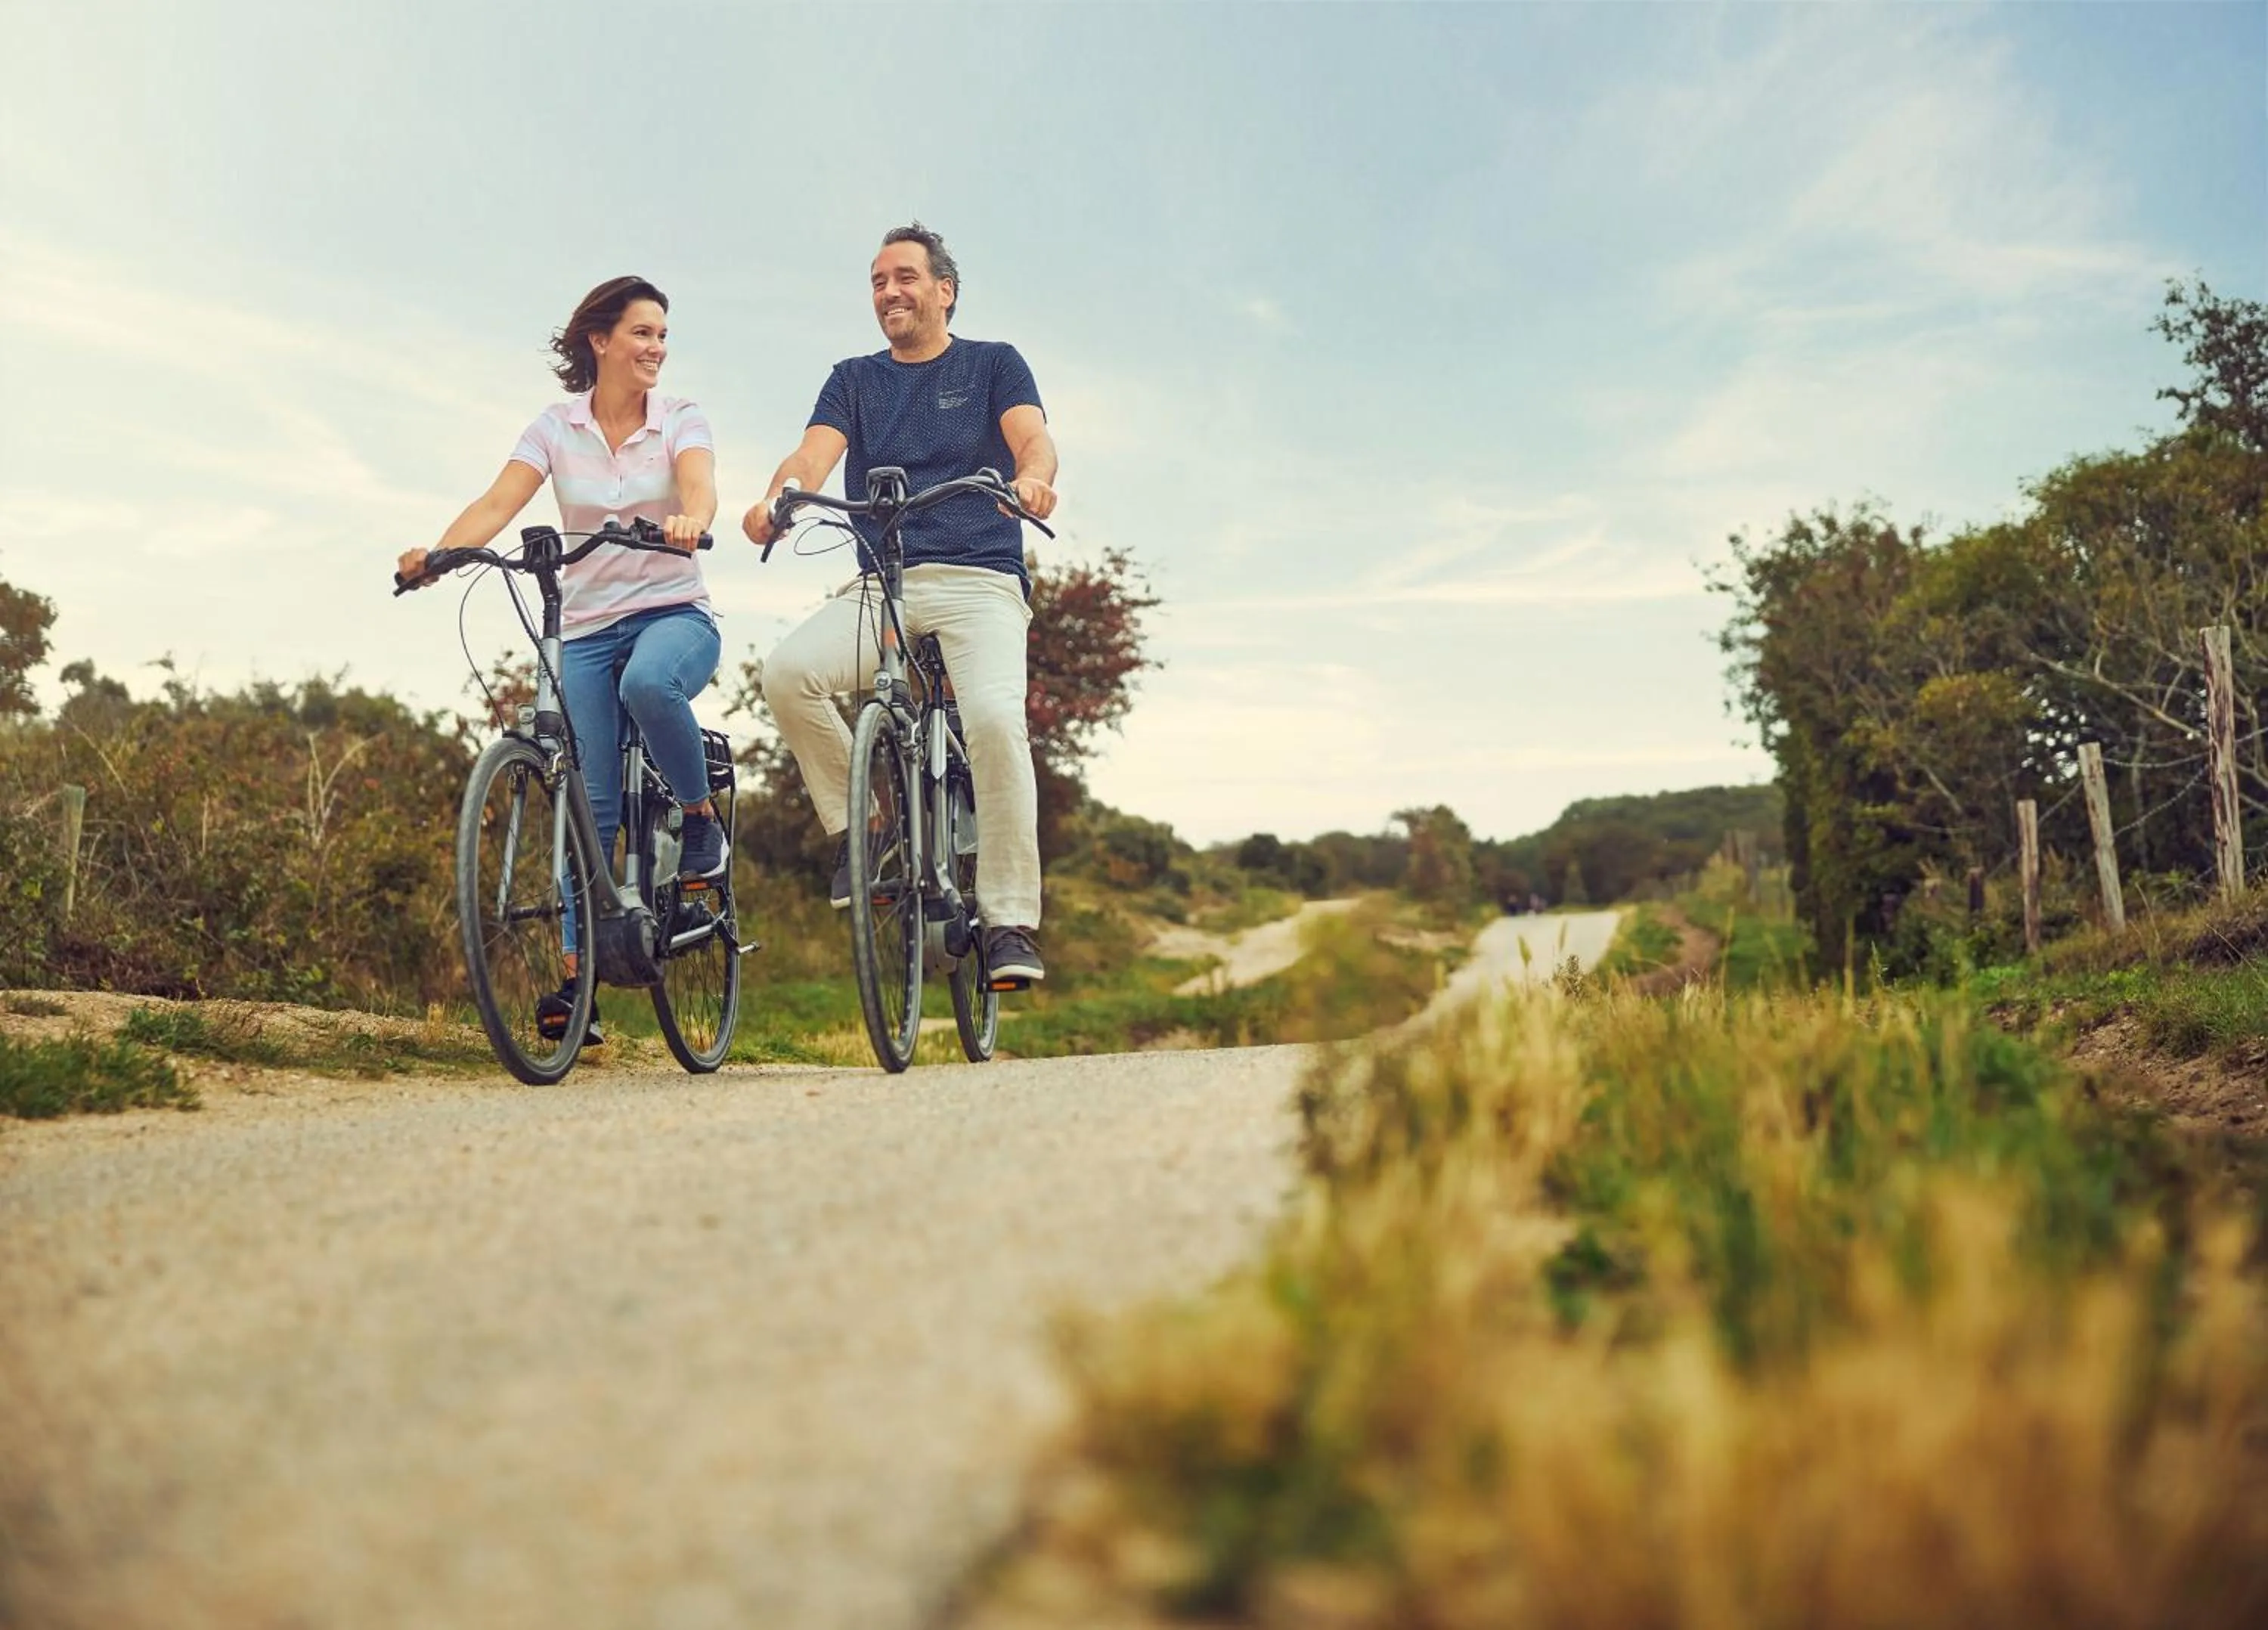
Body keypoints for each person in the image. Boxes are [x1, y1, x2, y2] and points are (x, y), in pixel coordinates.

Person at [398, 274, 723, 1042]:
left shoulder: (680, 417)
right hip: (586, 628)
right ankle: (580, 986)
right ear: (600, 340)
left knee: (650, 683)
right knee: (589, 806)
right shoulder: (555, 426)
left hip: (673, 614)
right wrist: (439, 556)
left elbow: (700, 485)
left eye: (662, 336)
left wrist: (690, 519)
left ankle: (699, 815)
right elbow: (497, 503)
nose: (656, 348)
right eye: (642, 333)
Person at [743, 223, 1058, 984]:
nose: (890, 291)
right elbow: (812, 454)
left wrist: (1034, 479)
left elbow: (1033, 441)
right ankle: (869, 829)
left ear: (945, 291)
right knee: (787, 674)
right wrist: (780, 497)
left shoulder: (993, 364)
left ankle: (1010, 921)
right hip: (882, 580)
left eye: (906, 277)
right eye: (879, 281)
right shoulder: (854, 380)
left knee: (994, 719)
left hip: (979, 579)